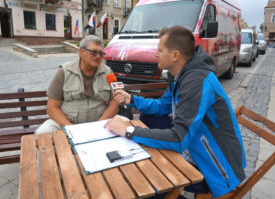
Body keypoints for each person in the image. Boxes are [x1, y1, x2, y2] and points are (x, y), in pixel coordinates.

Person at [105, 26, 246, 198]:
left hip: (216, 161)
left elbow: (178, 139)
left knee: (149, 184)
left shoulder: (196, 81)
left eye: (160, 50)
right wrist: (132, 99)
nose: (156, 54)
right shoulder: (181, 74)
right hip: (194, 143)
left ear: (175, 55)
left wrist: (128, 130)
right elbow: (162, 107)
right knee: (149, 121)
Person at [35, 35, 119, 134]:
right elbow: (52, 107)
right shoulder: (64, 72)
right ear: (81, 52)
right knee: (42, 133)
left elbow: (114, 103)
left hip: (100, 122)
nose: (98, 56)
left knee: (126, 123)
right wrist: (70, 128)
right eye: (93, 52)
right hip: (68, 123)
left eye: (101, 53)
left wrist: (99, 125)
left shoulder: (108, 72)